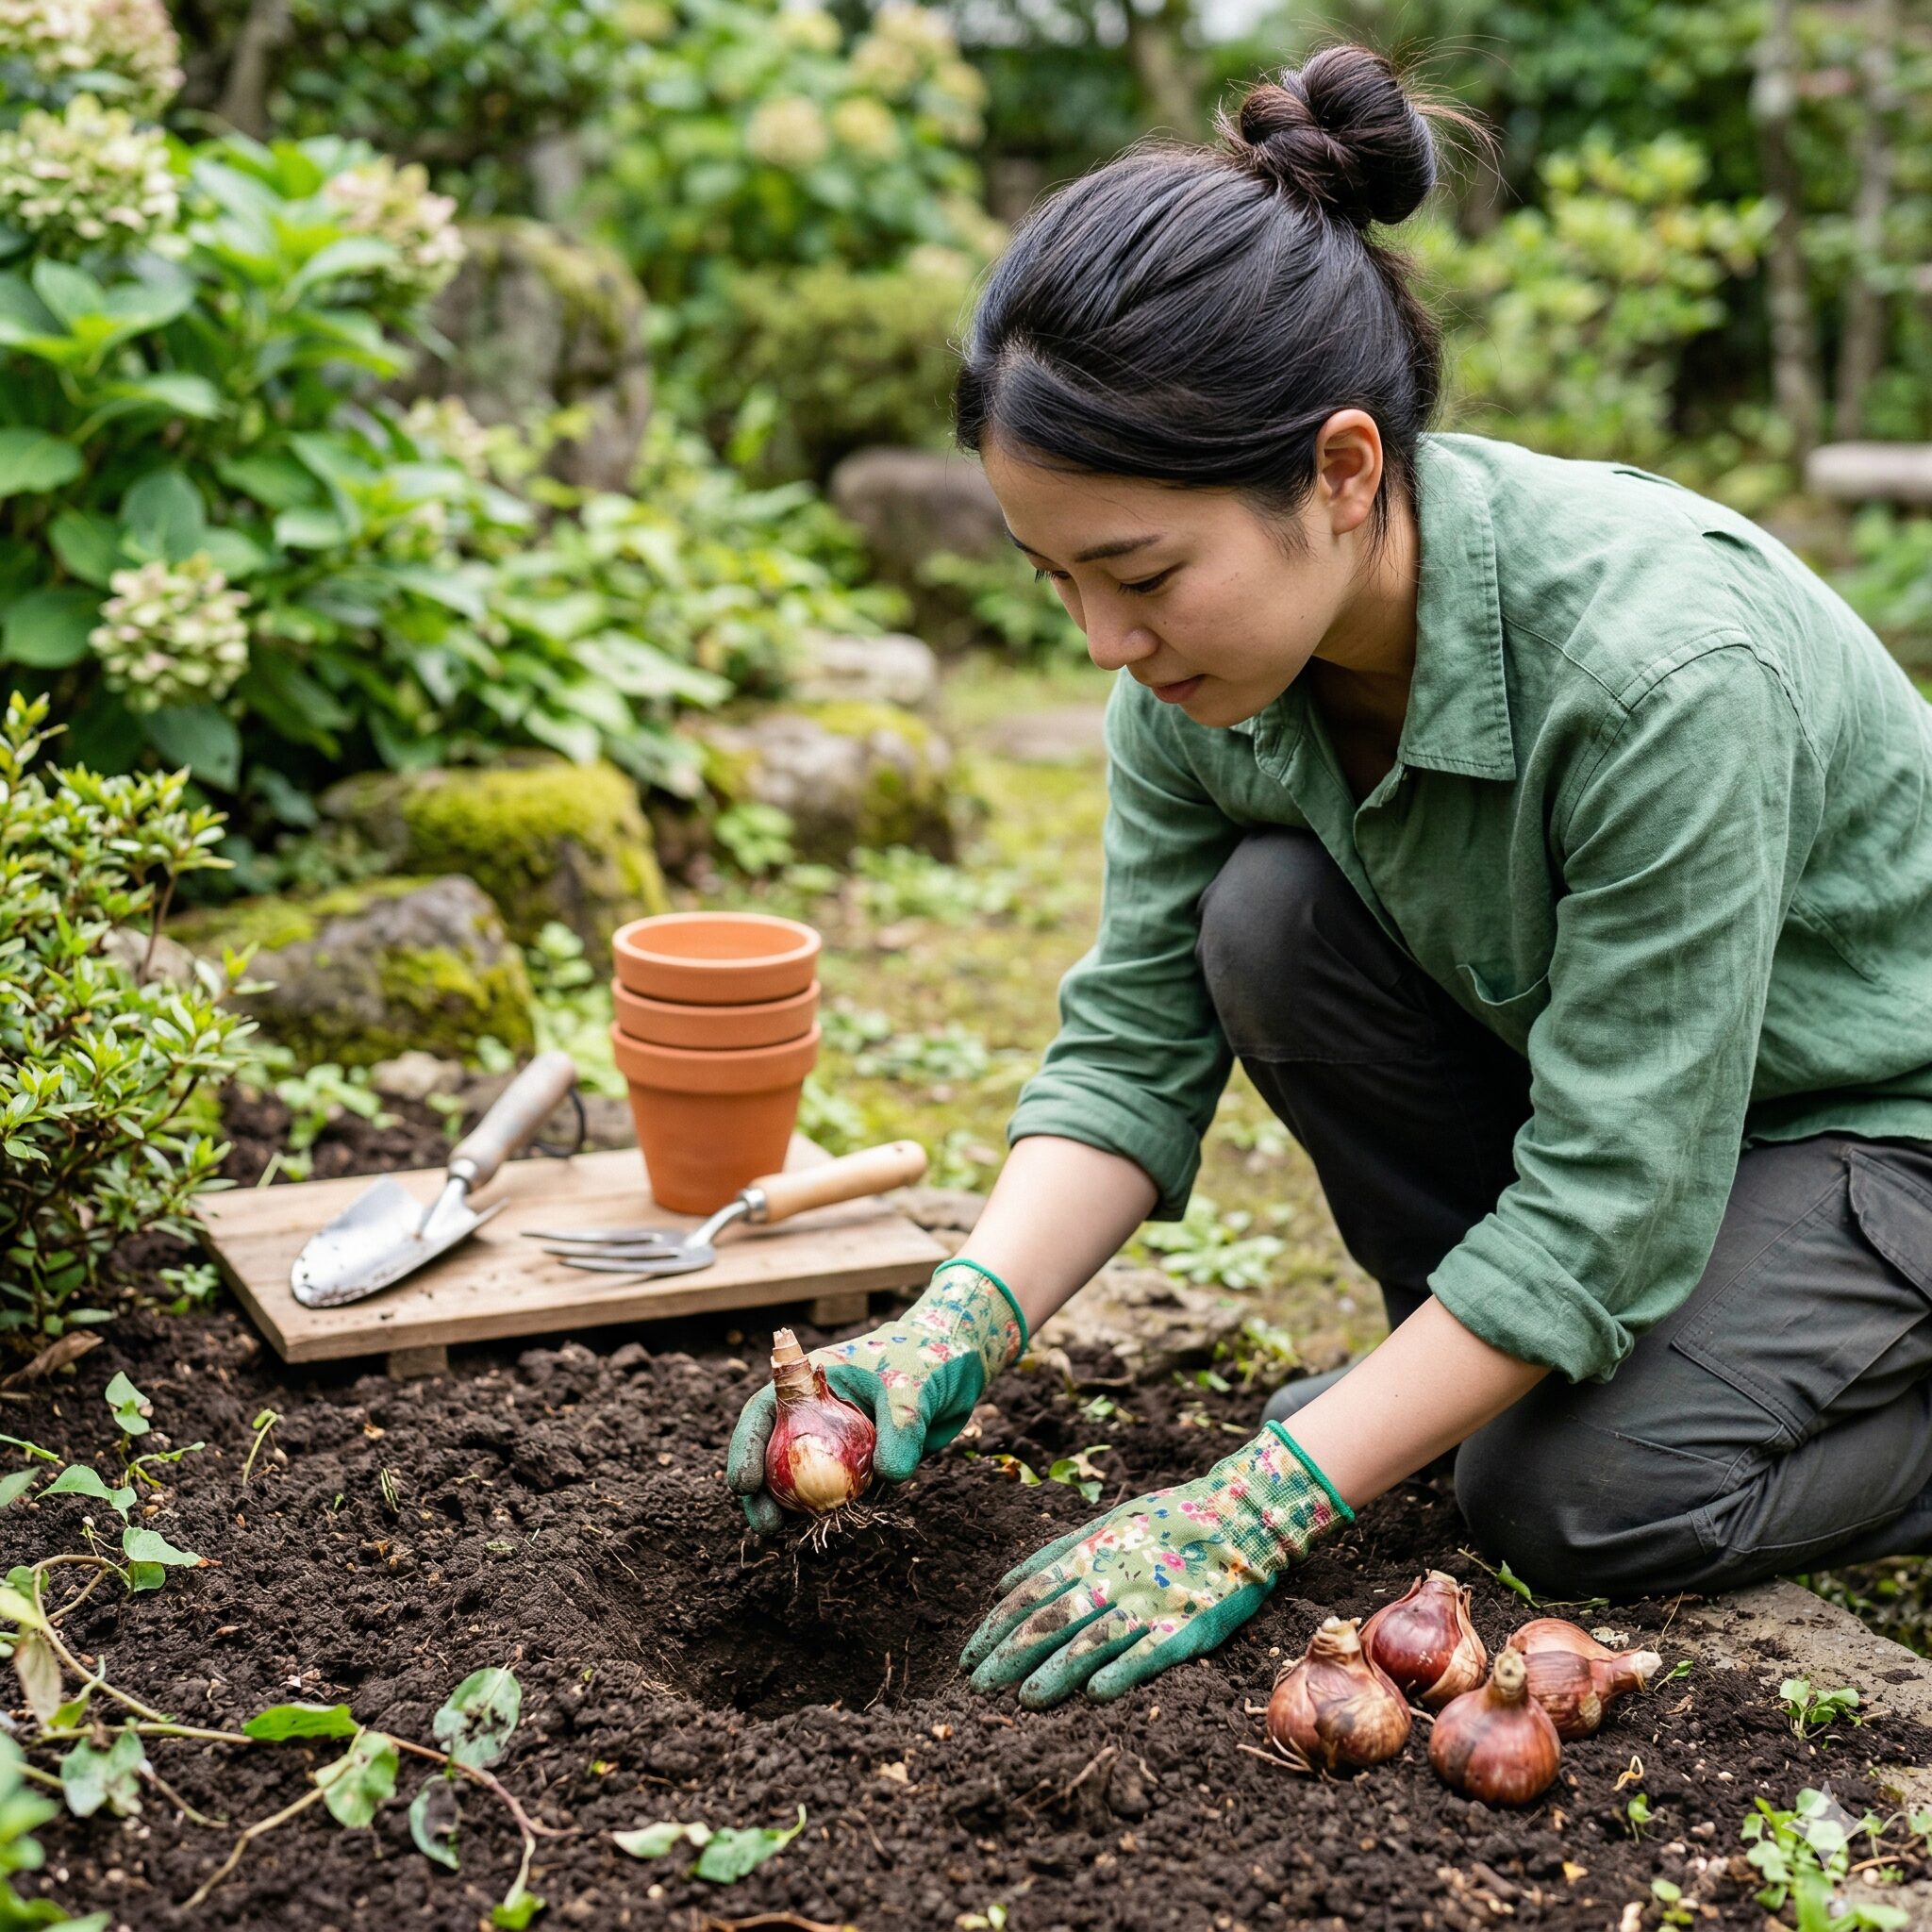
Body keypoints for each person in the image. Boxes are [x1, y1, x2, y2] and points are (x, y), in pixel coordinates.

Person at [727, 44, 1932, 1711]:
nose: (1101, 638)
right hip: (1656, 1122)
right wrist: (956, 1321)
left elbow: (1612, 1195)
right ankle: (1476, 1379)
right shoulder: (1198, 686)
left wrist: (1262, 1501)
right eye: (1055, 575)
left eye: (1140, 571)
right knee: (1267, 920)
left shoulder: (1663, 675)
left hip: (1873, 1119)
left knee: (1572, 1498)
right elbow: (1131, 1049)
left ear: (1345, 470)